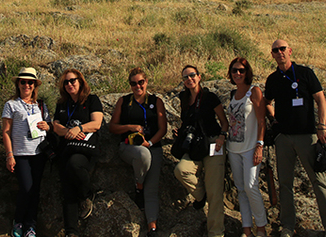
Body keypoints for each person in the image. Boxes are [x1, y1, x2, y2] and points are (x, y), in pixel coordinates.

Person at [263, 40, 326, 237]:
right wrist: (274, 119)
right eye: (275, 50)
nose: (279, 53)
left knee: (318, 180)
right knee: (285, 184)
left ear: (290, 51)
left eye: (282, 49)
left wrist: (322, 126)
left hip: (307, 136)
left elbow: (321, 99)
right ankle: (287, 226)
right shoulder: (273, 79)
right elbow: (266, 102)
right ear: (272, 55)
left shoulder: (305, 73)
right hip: (284, 139)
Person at [108, 68, 168, 237]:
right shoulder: (124, 101)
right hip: (129, 148)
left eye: (141, 82)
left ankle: (152, 227)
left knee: (152, 188)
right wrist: (130, 127)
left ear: (146, 82)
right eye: (133, 83)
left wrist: (149, 142)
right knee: (143, 155)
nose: (137, 86)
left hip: (153, 145)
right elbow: (112, 127)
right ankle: (138, 184)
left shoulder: (156, 101)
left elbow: (163, 129)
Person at [173, 65, 229, 237]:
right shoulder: (183, 98)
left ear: (199, 77)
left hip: (213, 143)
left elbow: (224, 122)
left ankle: (215, 233)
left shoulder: (210, 97)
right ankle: (200, 195)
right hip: (195, 145)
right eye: (185, 77)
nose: (189, 79)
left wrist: (222, 136)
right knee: (181, 170)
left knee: (215, 193)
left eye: (192, 75)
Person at [51, 69, 104, 237]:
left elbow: (96, 124)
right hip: (66, 148)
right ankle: (71, 232)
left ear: (80, 81)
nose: (69, 84)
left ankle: (87, 194)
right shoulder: (62, 104)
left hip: (85, 149)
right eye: (66, 82)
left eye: (73, 80)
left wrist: (78, 128)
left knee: (74, 165)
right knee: (67, 189)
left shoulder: (92, 100)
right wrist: (68, 131)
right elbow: (56, 126)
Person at [2, 67, 51, 237]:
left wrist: (47, 126)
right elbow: (6, 131)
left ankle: (31, 225)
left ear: (35, 85)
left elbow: (48, 126)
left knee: (35, 190)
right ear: (18, 84)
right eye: (23, 82)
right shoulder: (11, 104)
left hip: (38, 153)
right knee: (26, 188)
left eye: (30, 82)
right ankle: (18, 221)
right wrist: (9, 155)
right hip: (21, 153)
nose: (27, 85)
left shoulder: (41, 105)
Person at [226, 57, 269, 237]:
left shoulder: (254, 92)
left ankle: (260, 227)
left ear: (247, 72)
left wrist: (260, 145)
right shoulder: (232, 95)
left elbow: (261, 120)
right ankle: (246, 229)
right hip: (233, 148)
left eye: (241, 70)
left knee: (251, 185)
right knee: (241, 189)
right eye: (234, 70)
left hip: (251, 147)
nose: (238, 73)